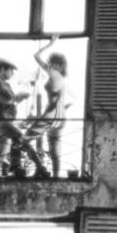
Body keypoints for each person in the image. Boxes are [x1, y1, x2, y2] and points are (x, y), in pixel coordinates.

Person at [0, 59, 49, 178]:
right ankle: (36, 167)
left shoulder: (2, 83)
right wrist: (20, 95)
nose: (12, 73)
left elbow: (10, 101)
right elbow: (8, 100)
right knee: (21, 138)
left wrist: (19, 97)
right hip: (2, 122)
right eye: (11, 70)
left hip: (2, 121)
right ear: (2, 69)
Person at [32, 35, 74, 179]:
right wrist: (62, 108)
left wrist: (51, 43)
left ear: (57, 65)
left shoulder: (54, 74)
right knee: (54, 149)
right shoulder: (61, 78)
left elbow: (36, 56)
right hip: (59, 116)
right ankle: (54, 176)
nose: (49, 65)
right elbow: (72, 99)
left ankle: (43, 170)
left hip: (52, 116)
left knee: (27, 140)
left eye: (52, 62)